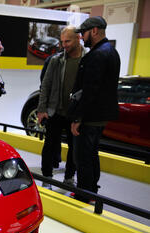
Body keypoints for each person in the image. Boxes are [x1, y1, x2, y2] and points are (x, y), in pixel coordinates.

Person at [69, 16, 120, 202]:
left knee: (83, 156)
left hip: (90, 116)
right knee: (91, 154)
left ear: (95, 31)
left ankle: (84, 194)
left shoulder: (97, 55)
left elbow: (90, 91)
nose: (82, 37)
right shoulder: (111, 52)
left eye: (84, 33)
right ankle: (91, 190)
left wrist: (77, 118)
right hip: (99, 115)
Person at [37, 26, 87, 189]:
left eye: (68, 41)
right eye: (62, 41)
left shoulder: (88, 60)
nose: (64, 45)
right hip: (55, 111)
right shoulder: (56, 60)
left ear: (78, 38)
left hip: (76, 114)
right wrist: (42, 109)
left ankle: (69, 177)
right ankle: (47, 178)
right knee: (50, 145)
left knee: (75, 148)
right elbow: (46, 85)